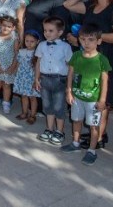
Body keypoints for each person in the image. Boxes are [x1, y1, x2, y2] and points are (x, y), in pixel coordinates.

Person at [63, 0, 113, 149]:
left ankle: (99, 137)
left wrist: (93, 37)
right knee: (90, 90)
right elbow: (68, 4)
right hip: (89, 55)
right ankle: (96, 131)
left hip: (108, 56)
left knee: (102, 98)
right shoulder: (90, 6)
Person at [61, 24, 111, 166]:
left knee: (93, 126)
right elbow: (70, 74)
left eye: (91, 40)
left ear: (99, 41)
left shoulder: (101, 59)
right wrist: (69, 91)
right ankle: (75, 143)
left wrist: (102, 100)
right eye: (83, 39)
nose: (86, 43)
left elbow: (105, 81)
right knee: (76, 120)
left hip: (93, 101)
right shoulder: (76, 55)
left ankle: (91, 150)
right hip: (77, 97)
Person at [33, 16, 73, 145]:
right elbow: (38, 62)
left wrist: (69, 85)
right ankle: (49, 129)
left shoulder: (65, 47)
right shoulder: (41, 45)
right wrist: (36, 78)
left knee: (59, 106)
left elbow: (70, 66)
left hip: (59, 80)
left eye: (51, 31)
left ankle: (59, 131)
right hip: (44, 78)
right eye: (45, 30)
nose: (47, 33)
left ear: (60, 32)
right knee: (47, 105)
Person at [0, 14, 19, 114]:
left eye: (9, 26)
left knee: (7, 85)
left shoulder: (14, 38)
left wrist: (13, 66)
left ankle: (6, 103)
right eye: (4, 25)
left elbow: (16, 53)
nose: (6, 28)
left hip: (9, 65)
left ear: (13, 28)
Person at [13, 30, 41, 123]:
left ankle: (33, 115)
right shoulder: (21, 52)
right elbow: (18, 64)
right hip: (22, 77)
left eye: (32, 41)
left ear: (37, 41)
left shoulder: (38, 54)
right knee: (24, 96)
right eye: (27, 41)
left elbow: (39, 68)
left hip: (32, 78)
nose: (29, 43)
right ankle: (24, 112)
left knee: (32, 97)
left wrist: (37, 79)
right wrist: (16, 75)